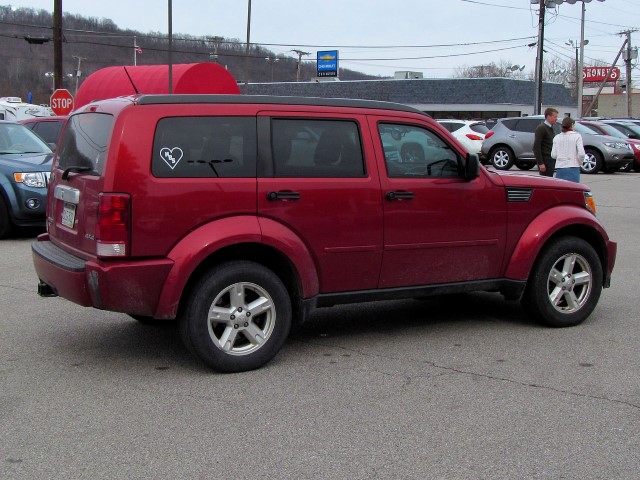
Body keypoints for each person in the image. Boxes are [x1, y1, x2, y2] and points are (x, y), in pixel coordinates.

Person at [551, 116, 585, 183]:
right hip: (573, 167)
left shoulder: (556, 137)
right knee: (573, 190)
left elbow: (553, 155)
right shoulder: (577, 136)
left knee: (561, 190)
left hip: (560, 168)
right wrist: (580, 162)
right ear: (572, 125)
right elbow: (581, 154)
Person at [533, 107, 558, 177]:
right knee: (546, 182)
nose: (556, 118)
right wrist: (541, 163)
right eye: (555, 117)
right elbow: (536, 147)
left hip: (551, 160)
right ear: (548, 117)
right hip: (545, 161)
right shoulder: (541, 128)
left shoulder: (552, 128)